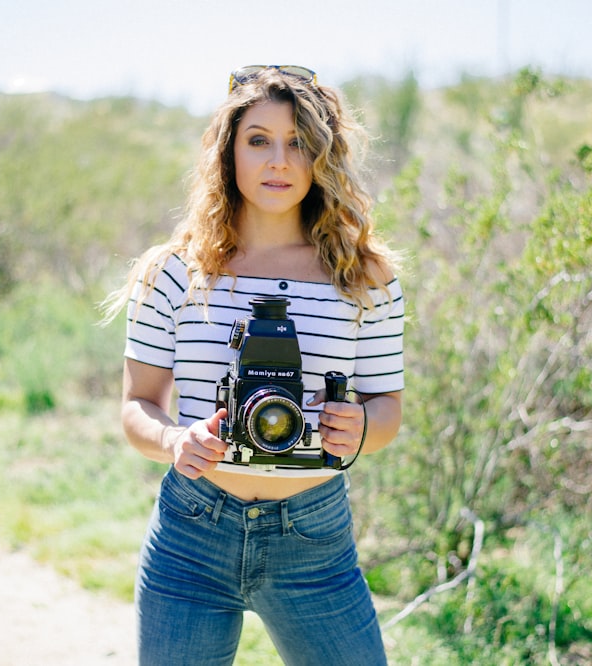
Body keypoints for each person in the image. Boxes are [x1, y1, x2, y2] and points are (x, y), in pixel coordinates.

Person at [103, 64, 405, 666]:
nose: (279, 161)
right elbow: (137, 404)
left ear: (322, 155)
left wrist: (363, 429)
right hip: (193, 531)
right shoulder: (174, 271)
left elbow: (387, 409)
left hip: (313, 537)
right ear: (229, 150)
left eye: (298, 143)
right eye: (259, 140)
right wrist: (173, 440)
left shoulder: (366, 278)